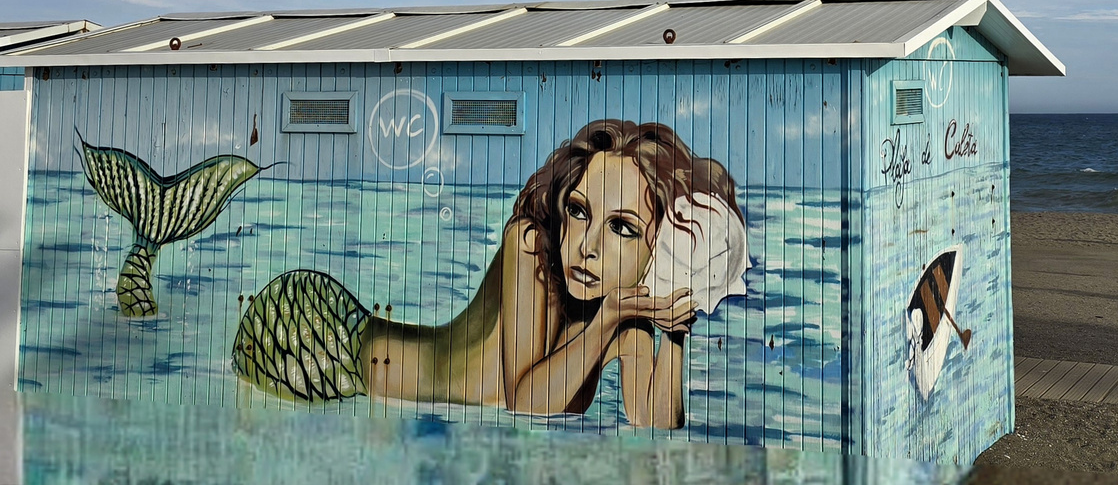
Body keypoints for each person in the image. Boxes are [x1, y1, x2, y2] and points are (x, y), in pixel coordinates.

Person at [232, 119, 749, 429]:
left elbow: (652, 424)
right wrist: (608, 320)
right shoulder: (530, 246)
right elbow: (523, 400)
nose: (587, 247)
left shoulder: (623, 318)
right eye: (579, 211)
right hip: (322, 340)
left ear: (656, 251)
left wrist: (678, 326)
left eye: (622, 228)